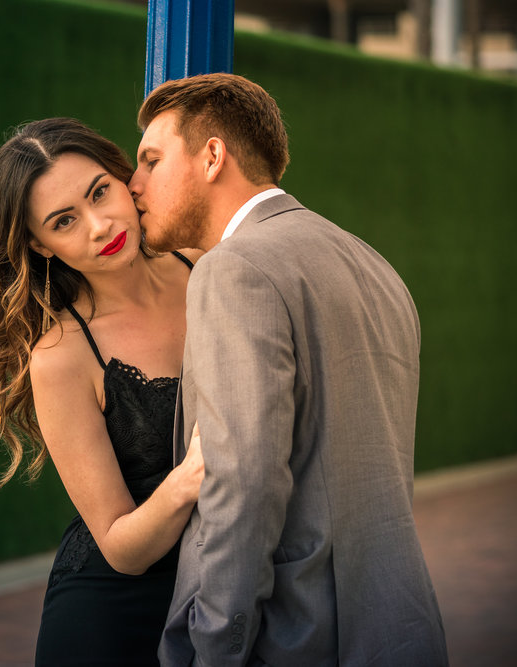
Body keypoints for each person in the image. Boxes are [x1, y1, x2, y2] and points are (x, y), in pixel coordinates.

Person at [127, 73, 449, 666]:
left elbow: (243, 484)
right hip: (401, 629)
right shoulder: (373, 264)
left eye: (150, 159)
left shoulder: (233, 270)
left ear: (213, 156)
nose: (134, 183)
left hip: (295, 639)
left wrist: (212, 650)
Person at [0, 117, 205, 666]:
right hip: (115, 617)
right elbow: (121, 548)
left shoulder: (207, 263)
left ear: (124, 179)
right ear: (39, 244)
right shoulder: (62, 358)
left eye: (100, 192)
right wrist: (194, 474)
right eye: (65, 221)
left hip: (225, 590)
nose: (100, 225)